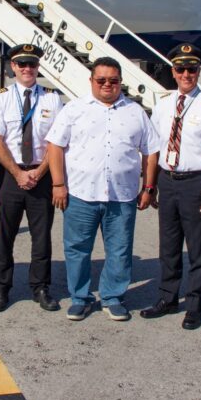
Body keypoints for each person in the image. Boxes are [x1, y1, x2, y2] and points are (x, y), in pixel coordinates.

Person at [47, 57, 160, 322]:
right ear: (91, 82)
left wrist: (149, 187)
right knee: (77, 249)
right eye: (101, 80)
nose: (107, 85)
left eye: (113, 80)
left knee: (119, 249)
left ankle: (112, 297)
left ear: (121, 82)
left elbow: (151, 151)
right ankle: (80, 298)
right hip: (80, 194)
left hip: (122, 196)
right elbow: (55, 146)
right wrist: (58, 184)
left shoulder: (135, 112)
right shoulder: (74, 109)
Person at [140, 44, 201, 330]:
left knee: (197, 249)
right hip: (167, 182)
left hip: (196, 183)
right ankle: (168, 298)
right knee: (168, 247)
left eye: (191, 69)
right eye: (181, 69)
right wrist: (150, 185)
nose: (186, 74)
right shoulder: (164, 104)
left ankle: (194, 305)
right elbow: (154, 148)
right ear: (173, 72)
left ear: (198, 72)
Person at [0, 44, 63, 313]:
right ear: (13, 67)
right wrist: (18, 173)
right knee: (4, 234)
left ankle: (41, 287)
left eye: (32, 64)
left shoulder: (52, 99)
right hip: (10, 174)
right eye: (22, 64)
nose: (27, 69)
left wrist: (40, 172)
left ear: (38, 67)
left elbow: (56, 141)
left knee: (41, 236)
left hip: (41, 174)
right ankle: (0, 289)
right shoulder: (1, 98)